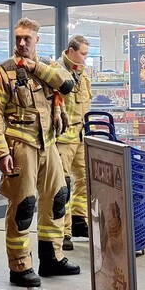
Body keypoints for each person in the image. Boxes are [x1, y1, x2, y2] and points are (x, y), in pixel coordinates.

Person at [0, 17, 79, 287]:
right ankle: (19, 265)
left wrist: (35, 66)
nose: (22, 43)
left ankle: (52, 258)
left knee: (58, 198)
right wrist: (2, 153)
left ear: (37, 40)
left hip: (48, 144)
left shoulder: (46, 67)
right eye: (18, 39)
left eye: (27, 38)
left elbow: (66, 85)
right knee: (23, 206)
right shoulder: (3, 72)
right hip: (21, 145)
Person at [55, 35, 93, 250]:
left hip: (80, 136)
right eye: (83, 53)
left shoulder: (82, 73)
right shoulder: (56, 72)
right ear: (71, 50)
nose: (85, 59)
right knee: (63, 185)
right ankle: (64, 231)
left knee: (85, 178)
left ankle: (79, 220)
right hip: (63, 138)